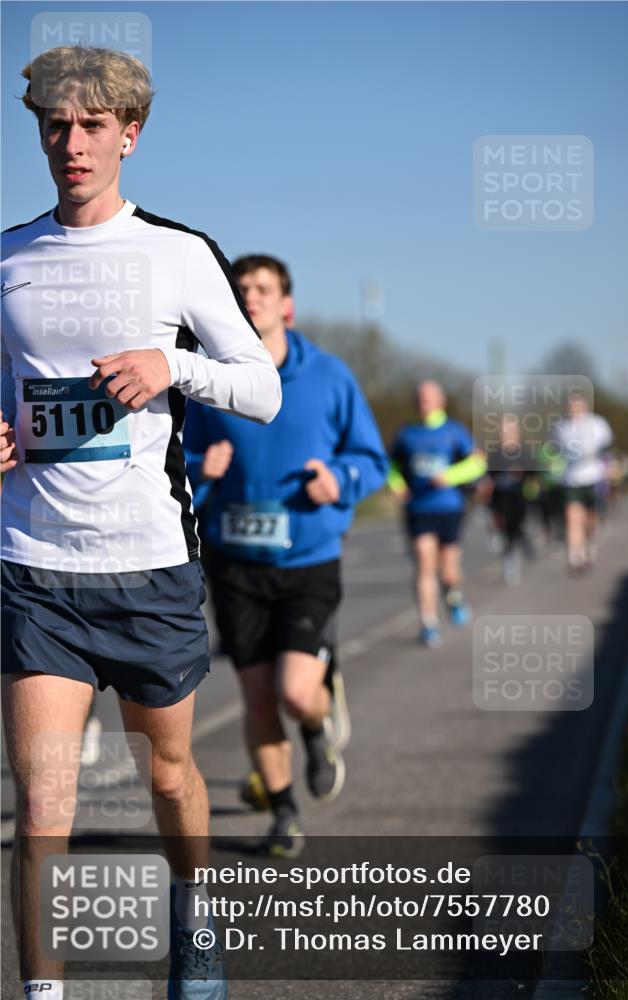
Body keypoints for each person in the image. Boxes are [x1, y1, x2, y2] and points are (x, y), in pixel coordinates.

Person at [1, 45, 280, 1000]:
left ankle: (195, 916)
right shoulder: (9, 257)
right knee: (43, 807)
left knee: (168, 779)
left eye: (89, 126)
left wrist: (175, 369)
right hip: (33, 565)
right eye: (53, 126)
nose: (70, 144)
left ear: (129, 133)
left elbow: (264, 389)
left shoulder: (179, 254)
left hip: (149, 566)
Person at [184, 254, 387, 858]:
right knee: (255, 695)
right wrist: (200, 467)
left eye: (263, 289)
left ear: (286, 305)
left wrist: (341, 478)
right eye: (241, 289)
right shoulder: (204, 379)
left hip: (309, 559)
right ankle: (283, 811)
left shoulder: (329, 376)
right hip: (234, 562)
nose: (251, 298)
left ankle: (319, 720)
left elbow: (372, 459)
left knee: (296, 692)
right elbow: (168, 460)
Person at [388, 381, 486, 648]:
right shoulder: (406, 434)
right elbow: (391, 465)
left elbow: (478, 463)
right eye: (420, 397)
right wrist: (397, 485)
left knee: (449, 570)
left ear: (441, 401)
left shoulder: (455, 431)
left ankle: (453, 595)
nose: (424, 402)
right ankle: (428, 623)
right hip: (418, 508)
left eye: (429, 397)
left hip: (449, 507)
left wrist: (450, 476)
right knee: (424, 561)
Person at [552, 391, 613, 573]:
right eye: (571, 406)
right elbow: (555, 449)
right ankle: (575, 556)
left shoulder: (597, 423)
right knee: (572, 518)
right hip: (571, 479)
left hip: (593, 477)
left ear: (585, 406)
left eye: (577, 405)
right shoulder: (561, 427)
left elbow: (606, 445)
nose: (574, 409)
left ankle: (588, 546)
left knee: (590, 520)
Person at [486, 414, 535, 586]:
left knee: (516, 530)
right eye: (504, 428)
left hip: (519, 499)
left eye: (511, 428)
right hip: (500, 500)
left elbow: (534, 474)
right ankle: (510, 563)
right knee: (504, 533)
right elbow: (488, 477)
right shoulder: (495, 454)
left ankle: (524, 543)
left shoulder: (525, 452)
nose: (507, 432)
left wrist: (522, 473)